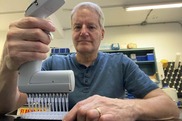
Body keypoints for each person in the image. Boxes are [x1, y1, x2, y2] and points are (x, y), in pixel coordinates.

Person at [0, 1, 180, 121]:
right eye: (77, 26)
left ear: (102, 33)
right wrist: (7, 67)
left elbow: (169, 108)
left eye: (91, 26)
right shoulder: (53, 64)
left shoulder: (121, 63)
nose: (83, 32)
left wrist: (128, 107)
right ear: (72, 33)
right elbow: (8, 104)